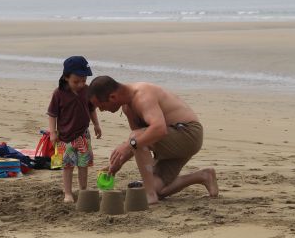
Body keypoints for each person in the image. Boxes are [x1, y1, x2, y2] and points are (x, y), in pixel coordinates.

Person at [88, 76, 218, 205]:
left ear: (112, 97)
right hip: (170, 142)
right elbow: (141, 142)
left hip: (188, 134)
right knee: (158, 189)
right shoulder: (127, 108)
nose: (101, 110)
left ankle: (149, 196)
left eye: (101, 105)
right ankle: (204, 176)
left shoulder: (142, 96)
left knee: (135, 138)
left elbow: (158, 130)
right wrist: (117, 164)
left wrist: (128, 145)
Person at [47, 56, 102, 203]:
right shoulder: (58, 93)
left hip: (83, 135)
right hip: (64, 137)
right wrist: (52, 133)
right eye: (76, 81)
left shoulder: (87, 90)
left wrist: (96, 125)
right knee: (67, 166)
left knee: (83, 164)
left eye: (83, 80)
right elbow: (52, 114)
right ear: (66, 78)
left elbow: (91, 109)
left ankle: (83, 190)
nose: (80, 84)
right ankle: (68, 193)